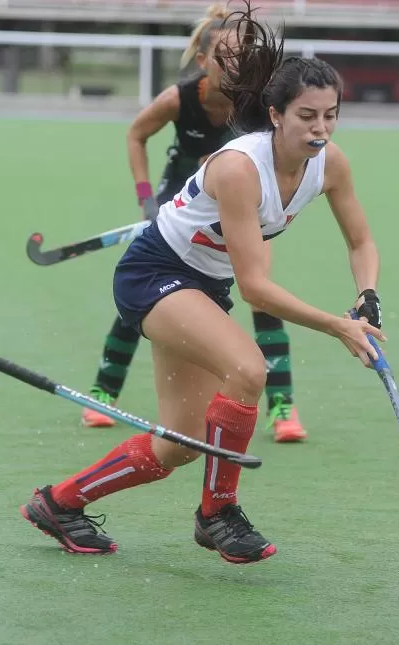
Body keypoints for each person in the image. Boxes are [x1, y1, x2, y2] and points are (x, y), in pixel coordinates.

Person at [21, 3, 385, 565]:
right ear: (274, 115)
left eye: (330, 116)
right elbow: (257, 289)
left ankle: (60, 502)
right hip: (156, 273)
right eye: (306, 116)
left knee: (179, 443)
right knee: (249, 370)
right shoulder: (240, 168)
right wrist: (337, 325)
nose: (319, 129)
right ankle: (217, 514)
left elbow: (360, 242)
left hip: (203, 287)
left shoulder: (330, 164)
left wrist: (367, 296)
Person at [82, 2, 307, 443]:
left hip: (242, 212)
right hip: (178, 209)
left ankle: (282, 406)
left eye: (243, 54)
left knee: (263, 295)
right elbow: (136, 134)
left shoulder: (259, 107)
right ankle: (102, 392)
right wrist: (146, 198)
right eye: (224, 56)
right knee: (149, 300)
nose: (236, 64)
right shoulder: (179, 99)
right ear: (203, 61)